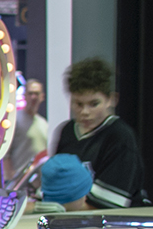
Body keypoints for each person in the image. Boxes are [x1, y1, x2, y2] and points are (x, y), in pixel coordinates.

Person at [52, 57, 146, 208]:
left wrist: (56, 205)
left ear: (112, 99)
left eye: (94, 104)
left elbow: (105, 205)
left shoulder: (120, 136)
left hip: (114, 225)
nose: (85, 112)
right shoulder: (67, 131)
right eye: (78, 104)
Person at [3, 77, 50, 187]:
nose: (33, 97)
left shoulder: (44, 123)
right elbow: (6, 154)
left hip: (37, 183)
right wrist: (11, 179)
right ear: (24, 96)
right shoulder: (14, 120)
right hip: (19, 182)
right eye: (30, 93)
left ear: (42, 97)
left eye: (37, 93)